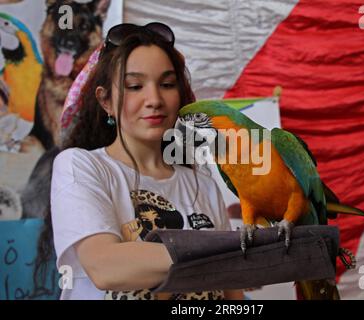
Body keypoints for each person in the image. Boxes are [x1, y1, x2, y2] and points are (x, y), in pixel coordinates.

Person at [48, 22, 244, 300]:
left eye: (166, 84)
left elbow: (231, 296)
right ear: (105, 101)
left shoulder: (202, 183)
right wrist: (229, 251)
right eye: (135, 86)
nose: (154, 99)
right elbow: (105, 268)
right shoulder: (80, 166)